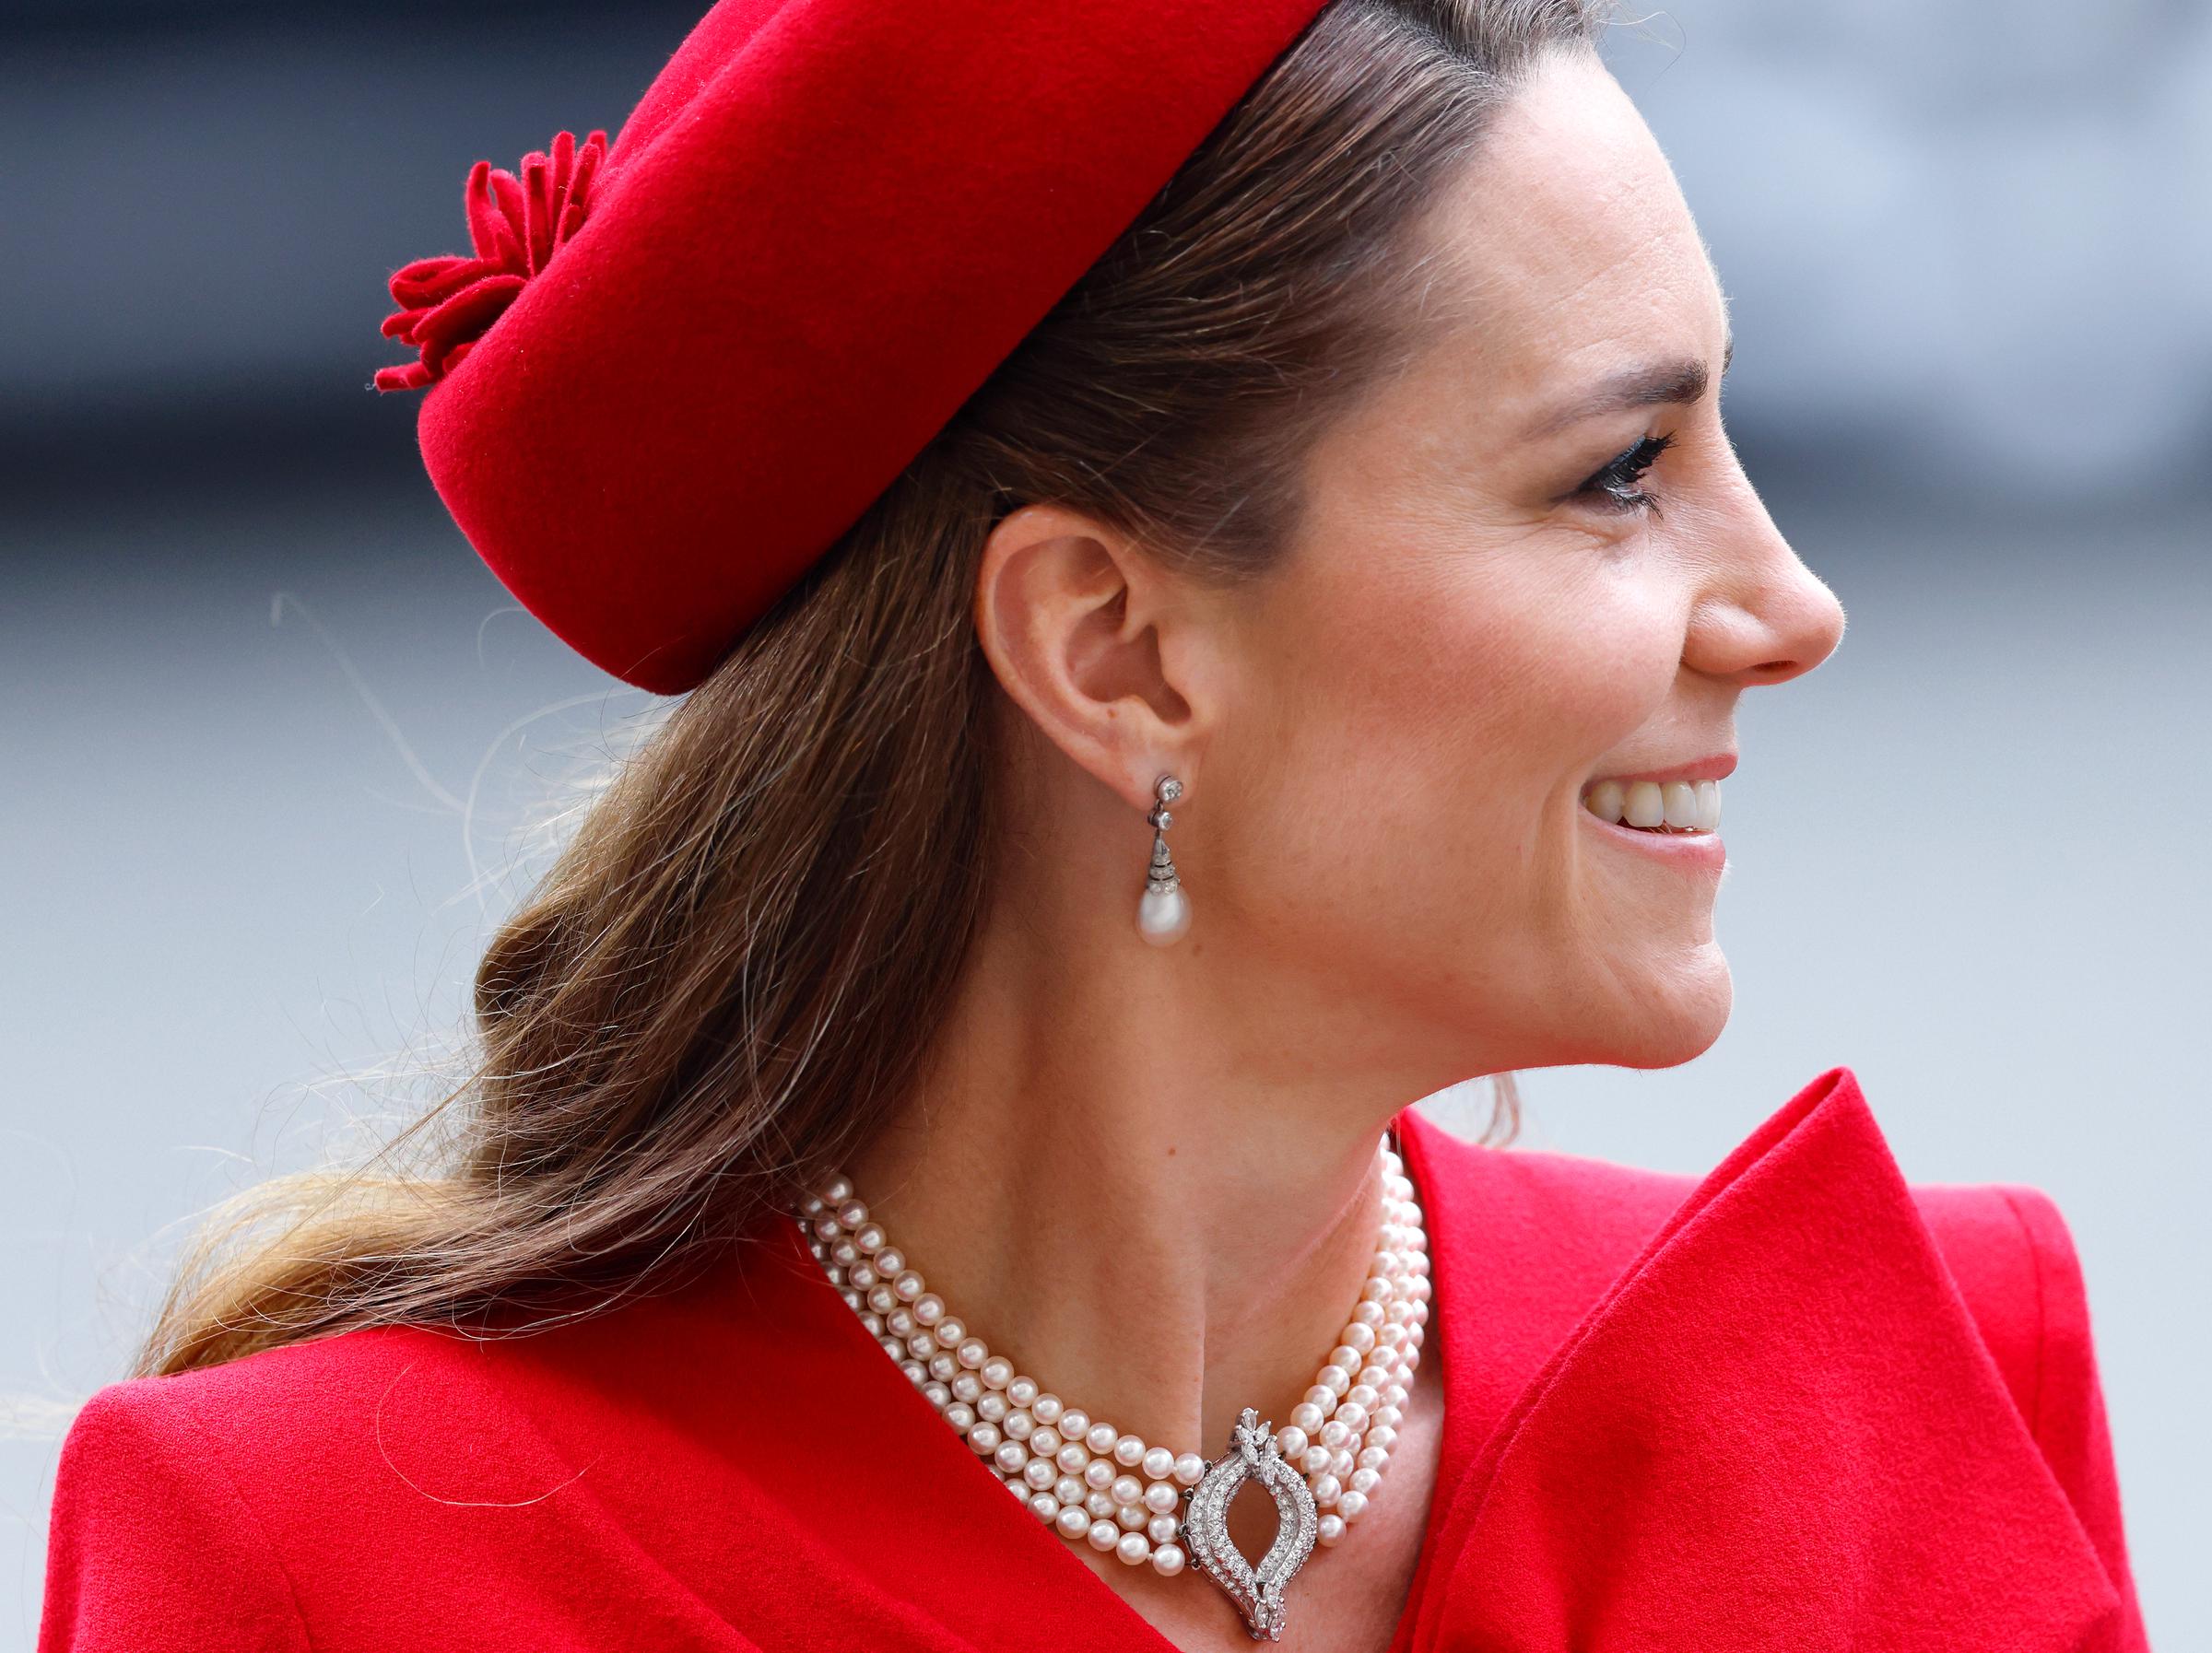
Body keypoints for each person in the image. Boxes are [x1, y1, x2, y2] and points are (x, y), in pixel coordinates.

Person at [39, 1, 2147, 1648]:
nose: (1792, 606)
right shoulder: (343, 1571)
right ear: (1116, 650)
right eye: (1617, 474)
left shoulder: (1904, 1384)